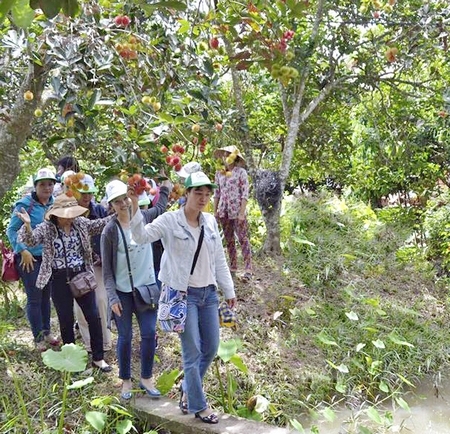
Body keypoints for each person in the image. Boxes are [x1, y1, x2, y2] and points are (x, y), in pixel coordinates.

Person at [128, 171, 236, 424]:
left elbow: (219, 259)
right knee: (192, 351)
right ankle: (198, 406)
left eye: (207, 193)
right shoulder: (170, 221)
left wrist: (228, 291)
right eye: (197, 192)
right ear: (186, 193)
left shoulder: (210, 222)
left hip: (208, 293)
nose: (203, 198)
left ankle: (188, 388)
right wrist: (134, 206)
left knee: (210, 348)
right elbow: (141, 237)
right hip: (182, 294)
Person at [15, 194, 112, 372]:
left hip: (81, 276)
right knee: (66, 320)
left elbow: (99, 225)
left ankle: (98, 358)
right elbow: (30, 240)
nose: (69, 218)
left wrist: (120, 212)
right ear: (56, 214)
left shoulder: (81, 223)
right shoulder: (47, 228)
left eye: (71, 214)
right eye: (65, 215)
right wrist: (27, 225)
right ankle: (72, 360)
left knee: (93, 315)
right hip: (58, 278)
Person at [101, 179, 171, 400]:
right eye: (117, 201)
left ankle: (147, 377)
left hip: (147, 287)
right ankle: (126, 380)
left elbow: (160, 208)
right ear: (111, 205)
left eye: (125, 199)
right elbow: (107, 270)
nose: (123, 204)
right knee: (125, 336)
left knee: (150, 333)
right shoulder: (109, 231)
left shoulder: (145, 217)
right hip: (123, 292)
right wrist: (112, 297)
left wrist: (166, 187)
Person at [6, 168, 60, 351]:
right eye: (42, 184)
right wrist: (22, 250)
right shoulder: (24, 205)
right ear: (35, 186)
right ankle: (37, 338)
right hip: (29, 259)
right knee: (35, 298)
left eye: (50, 184)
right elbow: (11, 230)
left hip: (48, 258)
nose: (47, 187)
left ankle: (46, 332)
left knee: (46, 297)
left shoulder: (54, 204)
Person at [74, 174, 112, 352]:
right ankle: (89, 343)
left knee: (102, 300)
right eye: (83, 193)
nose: (86, 197)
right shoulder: (67, 212)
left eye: (89, 193)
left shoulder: (100, 211)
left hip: (97, 264)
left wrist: (104, 257)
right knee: (80, 306)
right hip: (76, 266)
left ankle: (105, 341)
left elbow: (109, 235)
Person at [213, 145, 253, 282]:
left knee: (242, 238)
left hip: (237, 210)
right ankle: (233, 266)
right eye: (224, 154)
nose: (226, 157)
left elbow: (245, 193)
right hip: (224, 210)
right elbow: (217, 193)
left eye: (228, 154)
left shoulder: (241, 172)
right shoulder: (219, 173)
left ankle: (248, 269)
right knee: (229, 239)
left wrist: (242, 212)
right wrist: (215, 211)